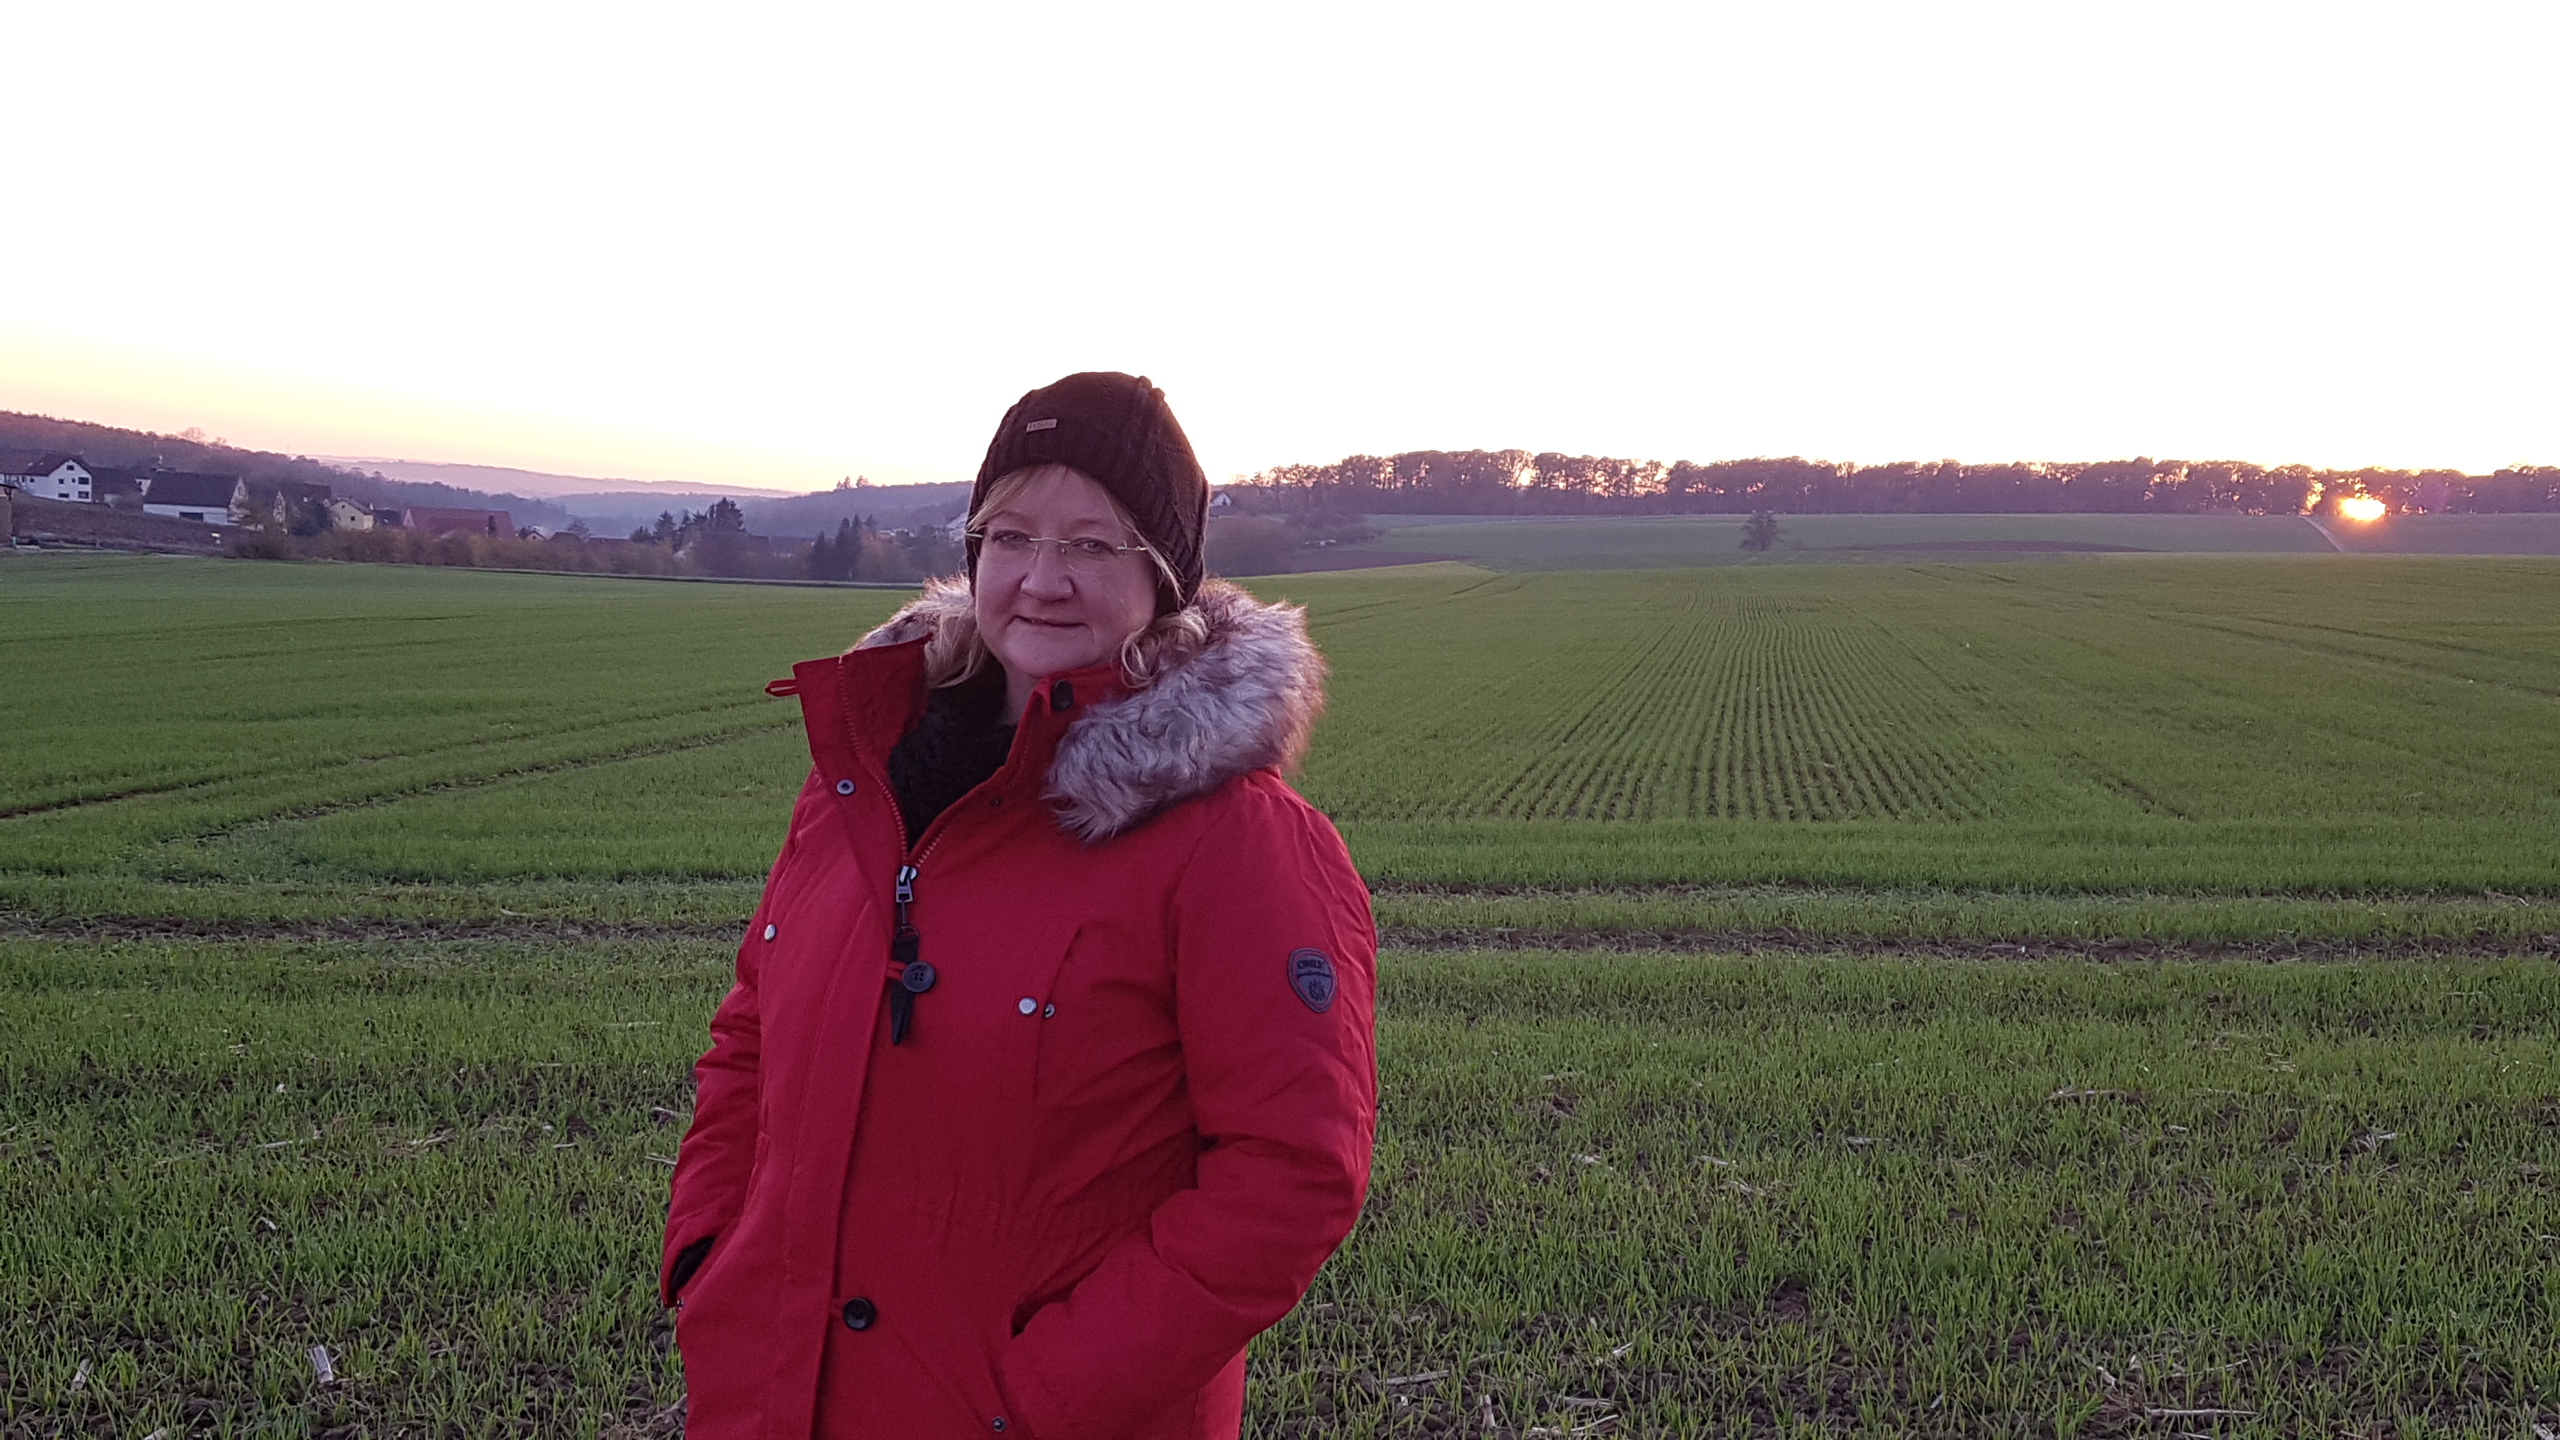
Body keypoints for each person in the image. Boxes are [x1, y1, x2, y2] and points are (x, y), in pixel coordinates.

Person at [662, 372, 1379, 1440]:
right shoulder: (864, 782)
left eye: (1093, 544)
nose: (1042, 579)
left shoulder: (1239, 842)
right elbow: (751, 1038)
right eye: (1010, 536)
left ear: (1163, 577)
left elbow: (1290, 1176)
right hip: (772, 1399)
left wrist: (1040, 1395)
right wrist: (709, 1250)